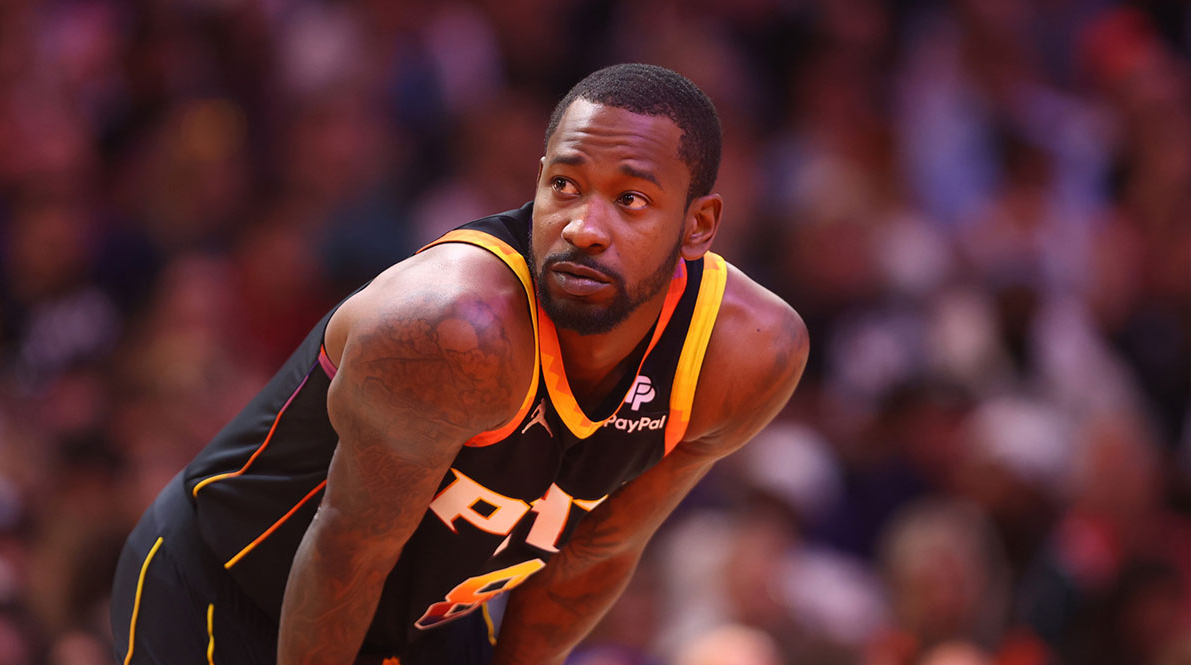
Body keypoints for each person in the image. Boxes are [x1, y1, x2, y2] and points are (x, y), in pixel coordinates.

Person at [110, 63, 809, 665]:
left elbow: (593, 554)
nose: (584, 227)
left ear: (700, 224)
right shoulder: (455, 328)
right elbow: (347, 551)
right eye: (565, 184)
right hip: (233, 585)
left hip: (427, 618)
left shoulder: (746, 353)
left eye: (630, 199)